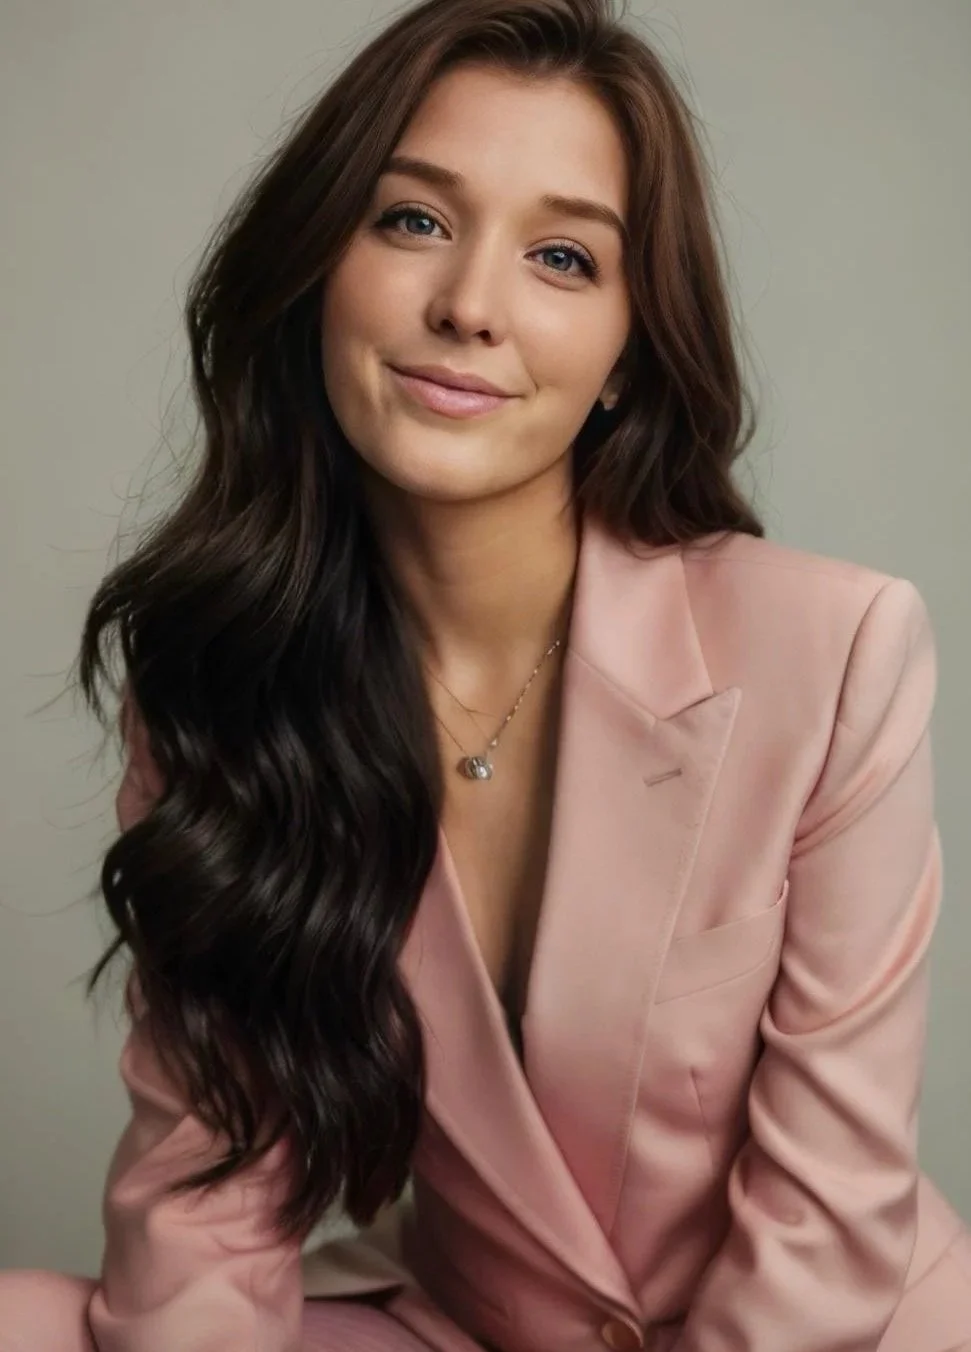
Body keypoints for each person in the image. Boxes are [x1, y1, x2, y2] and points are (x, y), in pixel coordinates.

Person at [3, 0, 971, 1348]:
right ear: (315, 270)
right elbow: (203, 1211)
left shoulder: (837, 651)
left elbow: (828, 1230)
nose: (467, 306)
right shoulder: (229, 686)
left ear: (629, 351)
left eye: (562, 258)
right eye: (411, 221)